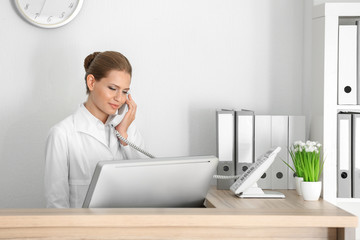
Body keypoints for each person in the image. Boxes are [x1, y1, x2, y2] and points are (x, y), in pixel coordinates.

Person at [44, 51, 147, 208]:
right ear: (91, 82)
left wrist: (124, 135)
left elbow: (146, 181)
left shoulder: (127, 131)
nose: (119, 98)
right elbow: (56, 203)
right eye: (113, 88)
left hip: (125, 227)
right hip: (83, 230)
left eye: (125, 91)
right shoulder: (62, 134)